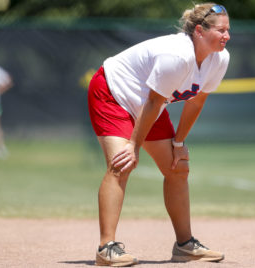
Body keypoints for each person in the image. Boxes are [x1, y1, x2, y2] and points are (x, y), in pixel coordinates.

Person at [87, 3, 230, 267]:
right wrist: (133, 145)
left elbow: (196, 102)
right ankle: (106, 248)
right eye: (221, 30)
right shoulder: (178, 55)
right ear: (199, 31)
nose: (227, 36)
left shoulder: (219, 59)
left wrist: (178, 143)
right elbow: (153, 103)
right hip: (112, 91)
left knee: (177, 168)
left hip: (147, 103)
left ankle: (185, 245)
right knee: (122, 163)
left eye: (228, 30)